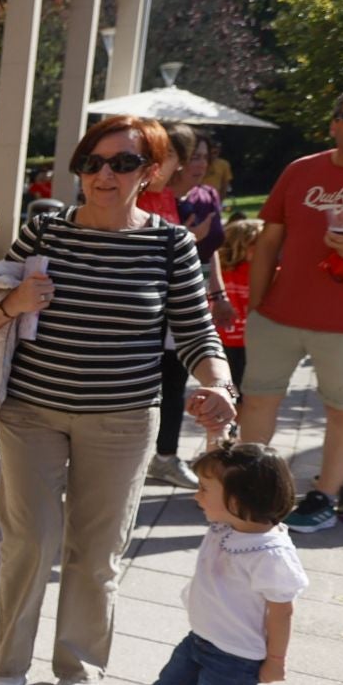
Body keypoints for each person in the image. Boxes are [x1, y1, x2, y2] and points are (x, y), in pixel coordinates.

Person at [0, 115, 236, 685]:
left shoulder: (170, 243)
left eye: (122, 163)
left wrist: (219, 384)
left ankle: (80, 665)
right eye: (92, 163)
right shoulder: (44, 232)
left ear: (150, 172)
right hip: (31, 412)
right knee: (29, 542)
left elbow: (196, 332)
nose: (103, 175)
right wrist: (12, 303)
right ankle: (8, 665)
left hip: (122, 419)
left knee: (96, 552)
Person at [88, 443, 305, 685]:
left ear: (240, 499)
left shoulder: (272, 554)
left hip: (236, 657)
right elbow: (221, 460)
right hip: (201, 640)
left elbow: (282, 612)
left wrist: (275, 660)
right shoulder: (227, 523)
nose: (196, 495)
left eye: (205, 490)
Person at [238, 83, 343, 533]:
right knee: (259, 400)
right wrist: (257, 304)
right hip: (279, 316)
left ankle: (324, 497)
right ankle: (249, 485)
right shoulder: (301, 170)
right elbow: (269, 240)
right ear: (334, 124)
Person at [141, 122, 229, 489]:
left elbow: (211, 253)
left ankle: (164, 456)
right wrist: (189, 240)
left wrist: (218, 294)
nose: (194, 164)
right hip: (149, 310)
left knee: (175, 383)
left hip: (185, 306)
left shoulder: (202, 196)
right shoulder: (145, 196)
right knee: (151, 385)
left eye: (202, 157)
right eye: (187, 156)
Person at [216, 217, 262, 385]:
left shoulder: (219, 272)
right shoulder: (261, 272)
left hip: (221, 340)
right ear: (244, 247)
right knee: (251, 393)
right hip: (252, 342)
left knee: (231, 390)